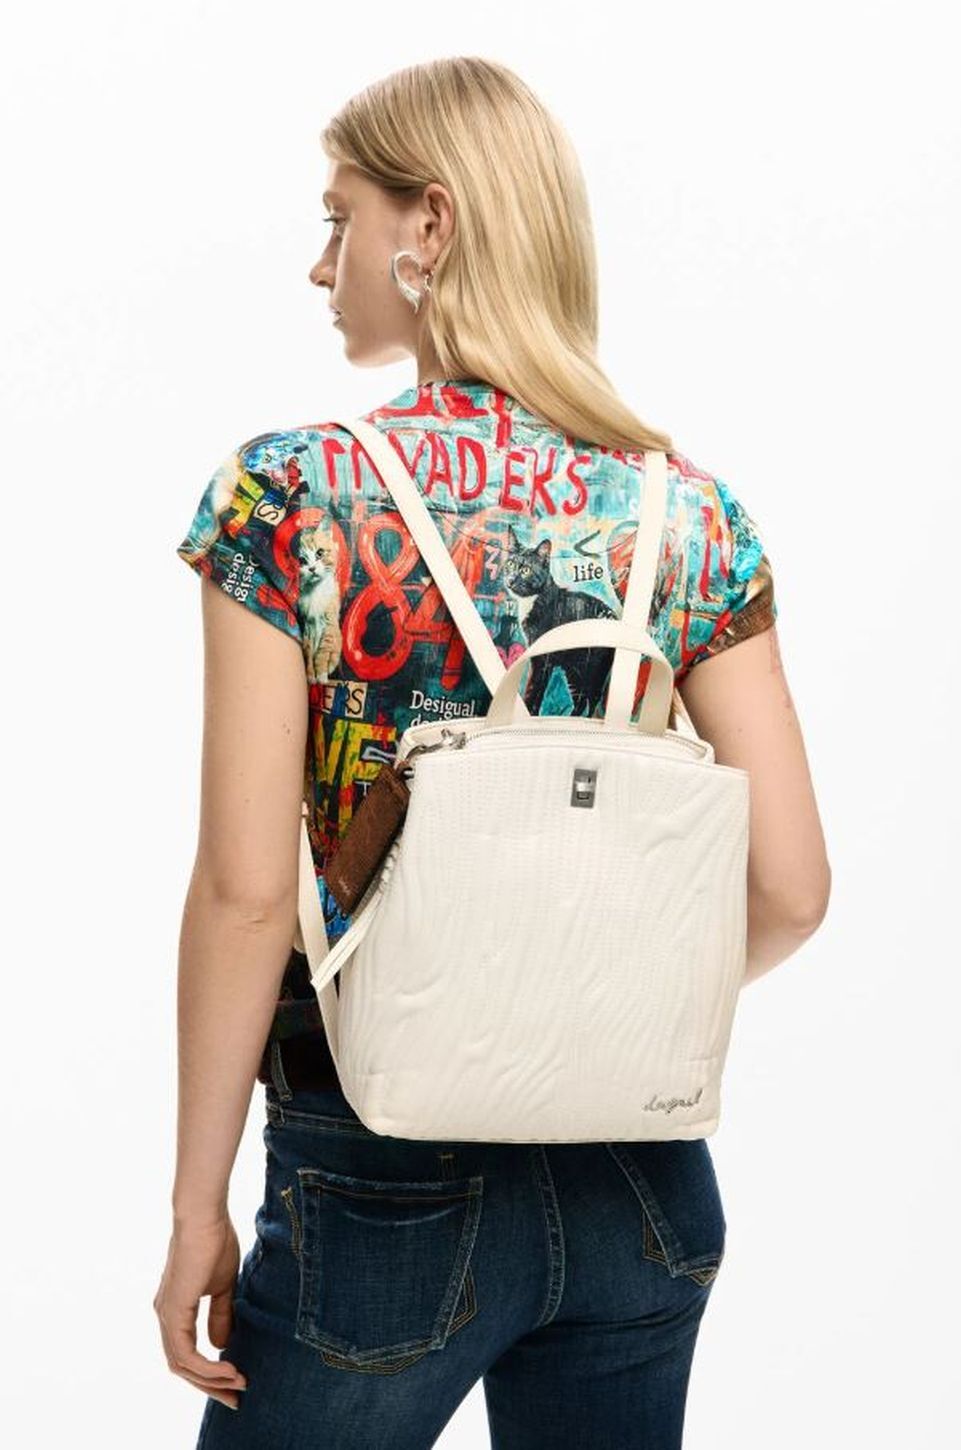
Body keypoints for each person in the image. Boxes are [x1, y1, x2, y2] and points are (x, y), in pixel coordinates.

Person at [154, 55, 831, 1450]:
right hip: (642, 1185)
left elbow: (245, 894)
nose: (320, 263)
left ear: (433, 225)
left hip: (377, 1179)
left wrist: (191, 1206)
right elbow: (791, 887)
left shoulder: (292, 495)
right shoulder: (692, 518)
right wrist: (595, 1004)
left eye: (340, 218)